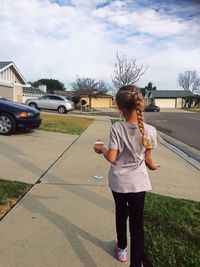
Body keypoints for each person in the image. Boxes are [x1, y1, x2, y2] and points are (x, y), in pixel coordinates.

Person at [93, 85, 159, 267]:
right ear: (141, 104)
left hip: (119, 183)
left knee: (121, 214)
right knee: (137, 226)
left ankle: (122, 249)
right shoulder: (151, 131)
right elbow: (148, 160)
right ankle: (136, 263)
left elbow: (112, 158)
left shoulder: (117, 128)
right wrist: (153, 167)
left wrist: (101, 149)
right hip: (139, 184)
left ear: (120, 108)